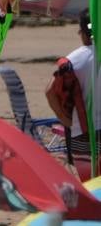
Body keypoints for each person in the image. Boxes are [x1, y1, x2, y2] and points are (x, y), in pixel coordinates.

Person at [47, 12, 97, 176]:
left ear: (83, 33)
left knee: (90, 186)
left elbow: (50, 91)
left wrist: (65, 119)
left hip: (82, 132)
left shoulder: (73, 60)